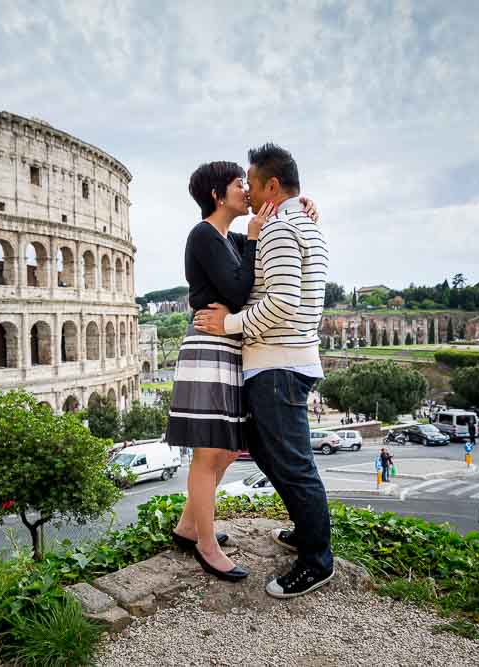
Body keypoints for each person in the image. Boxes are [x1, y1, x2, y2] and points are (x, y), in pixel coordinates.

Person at [168, 158, 318, 584]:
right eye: (238, 184)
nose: (245, 191)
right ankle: (206, 544)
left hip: (229, 346)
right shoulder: (204, 234)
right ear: (217, 195)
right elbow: (237, 289)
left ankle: (186, 526)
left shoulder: (227, 237)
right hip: (210, 345)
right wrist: (252, 240)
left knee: (230, 447)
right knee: (209, 449)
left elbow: (246, 279)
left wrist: (299, 204)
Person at [195, 143, 333, 599]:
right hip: (291, 359)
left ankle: (317, 560)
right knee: (271, 453)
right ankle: (306, 530)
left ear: (272, 186)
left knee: (292, 465)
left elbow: (281, 302)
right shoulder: (306, 225)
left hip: (277, 363)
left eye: (252, 184)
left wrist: (227, 323)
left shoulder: (278, 230)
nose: (249, 193)